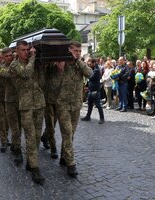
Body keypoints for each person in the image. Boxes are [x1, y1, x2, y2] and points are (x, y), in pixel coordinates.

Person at [9, 40, 45, 185]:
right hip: (26, 105)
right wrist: (33, 58)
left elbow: (41, 81)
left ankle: (31, 162)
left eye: (27, 50)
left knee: (36, 137)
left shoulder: (33, 64)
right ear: (17, 51)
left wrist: (41, 66)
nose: (26, 52)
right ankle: (35, 168)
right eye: (23, 50)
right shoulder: (14, 65)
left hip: (39, 103)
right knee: (30, 136)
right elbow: (26, 73)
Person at [55, 41, 92, 177]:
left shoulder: (79, 65)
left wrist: (79, 60)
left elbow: (90, 74)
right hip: (62, 104)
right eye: (75, 50)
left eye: (79, 51)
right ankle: (71, 164)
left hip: (76, 104)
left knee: (71, 134)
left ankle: (64, 157)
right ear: (68, 50)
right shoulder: (60, 64)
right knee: (67, 132)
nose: (77, 53)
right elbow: (52, 85)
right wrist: (59, 70)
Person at [81, 58, 105, 124]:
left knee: (98, 105)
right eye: (88, 64)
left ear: (94, 63)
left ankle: (102, 118)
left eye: (90, 63)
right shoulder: (93, 69)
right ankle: (88, 117)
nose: (89, 65)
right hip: (91, 90)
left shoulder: (96, 70)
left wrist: (85, 73)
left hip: (95, 91)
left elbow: (91, 77)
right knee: (90, 104)